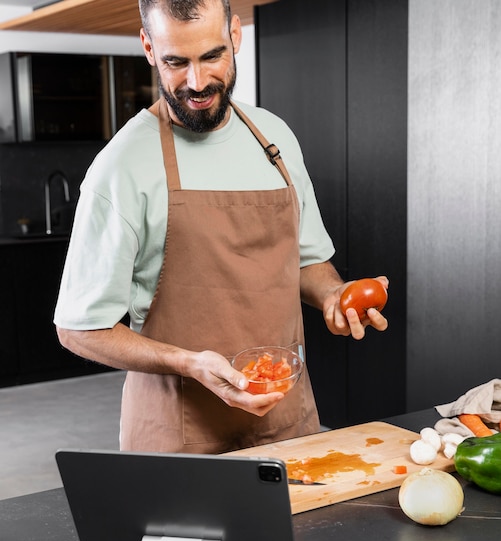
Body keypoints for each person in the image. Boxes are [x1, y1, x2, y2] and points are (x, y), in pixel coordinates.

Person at [54, 0, 388, 454]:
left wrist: (333, 295)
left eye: (212, 56)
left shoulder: (274, 138)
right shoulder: (121, 166)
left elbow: (307, 260)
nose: (196, 83)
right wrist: (188, 363)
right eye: (176, 62)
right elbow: (80, 328)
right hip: (180, 434)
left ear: (235, 35)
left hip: (287, 420)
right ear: (149, 48)